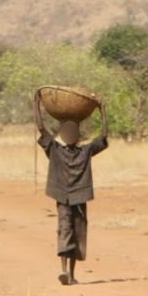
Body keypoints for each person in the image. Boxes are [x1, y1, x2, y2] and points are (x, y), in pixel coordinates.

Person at [33, 93, 108, 286]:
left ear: (78, 136)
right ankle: (64, 270)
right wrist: (37, 104)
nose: (69, 135)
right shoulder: (54, 149)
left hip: (80, 196)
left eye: (73, 132)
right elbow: (41, 128)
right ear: (61, 135)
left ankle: (72, 275)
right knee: (65, 229)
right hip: (62, 197)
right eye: (66, 132)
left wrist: (102, 110)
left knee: (78, 232)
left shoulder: (86, 151)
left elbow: (103, 137)